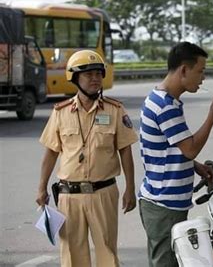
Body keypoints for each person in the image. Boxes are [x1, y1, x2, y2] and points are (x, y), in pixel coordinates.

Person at [36, 50, 138, 267]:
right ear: (74, 77)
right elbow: (51, 152)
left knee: (107, 253)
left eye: (98, 74)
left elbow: (125, 151)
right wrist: (41, 188)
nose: (95, 79)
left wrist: (130, 188)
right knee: (72, 256)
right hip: (68, 196)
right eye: (88, 74)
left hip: (103, 193)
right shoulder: (60, 112)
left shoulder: (115, 110)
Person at [138, 41, 213, 267]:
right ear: (184, 70)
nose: (203, 78)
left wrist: (195, 166)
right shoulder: (165, 105)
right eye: (200, 71)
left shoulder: (167, 100)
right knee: (165, 263)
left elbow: (170, 148)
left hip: (167, 200)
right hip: (164, 202)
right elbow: (189, 147)